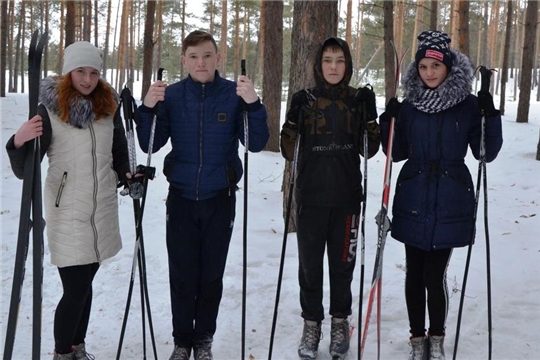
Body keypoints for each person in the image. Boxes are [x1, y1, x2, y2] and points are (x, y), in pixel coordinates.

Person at [136, 30, 268, 360]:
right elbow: (150, 144)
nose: (201, 62)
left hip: (219, 198)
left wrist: (253, 103)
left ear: (218, 58)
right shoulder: (173, 95)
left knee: (211, 276)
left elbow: (255, 143)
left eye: (207, 55)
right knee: (181, 275)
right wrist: (148, 108)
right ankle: (183, 342)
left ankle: (203, 340)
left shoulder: (233, 94)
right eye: (193, 56)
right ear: (183, 60)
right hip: (180, 198)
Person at [379, 30, 503, 360]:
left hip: (450, 196)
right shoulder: (409, 106)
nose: (429, 73)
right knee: (414, 272)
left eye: (435, 66)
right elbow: (397, 151)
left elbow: (485, 153)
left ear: (447, 66)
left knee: (434, 275)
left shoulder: (467, 105)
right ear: (416, 70)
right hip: (414, 193)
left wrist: (490, 116)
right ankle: (416, 337)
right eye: (423, 67)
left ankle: (436, 336)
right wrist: (387, 121)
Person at [5, 41, 131, 360]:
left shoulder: (107, 107)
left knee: (84, 287)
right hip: (68, 211)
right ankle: (63, 352)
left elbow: (118, 153)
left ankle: (78, 346)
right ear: (68, 73)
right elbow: (26, 169)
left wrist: (126, 175)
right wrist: (18, 140)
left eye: (93, 72)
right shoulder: (49, 110)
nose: (87, 79)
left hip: (101, 209)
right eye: (80, 72)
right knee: (75, 290)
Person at [280, 37, 381, 360]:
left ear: (348, 64)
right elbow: (287, 149)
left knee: (342, 268)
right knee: (310, 269)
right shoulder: (305, 100)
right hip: (311, 199)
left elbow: (371, 149)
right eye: (327, 61)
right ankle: (312, 324)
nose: (334, 67)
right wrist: (293, 118)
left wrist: (371, 117)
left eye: (340, 60)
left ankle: (340, 323)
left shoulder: (356, 100)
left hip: (347, 199)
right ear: (318, 65)